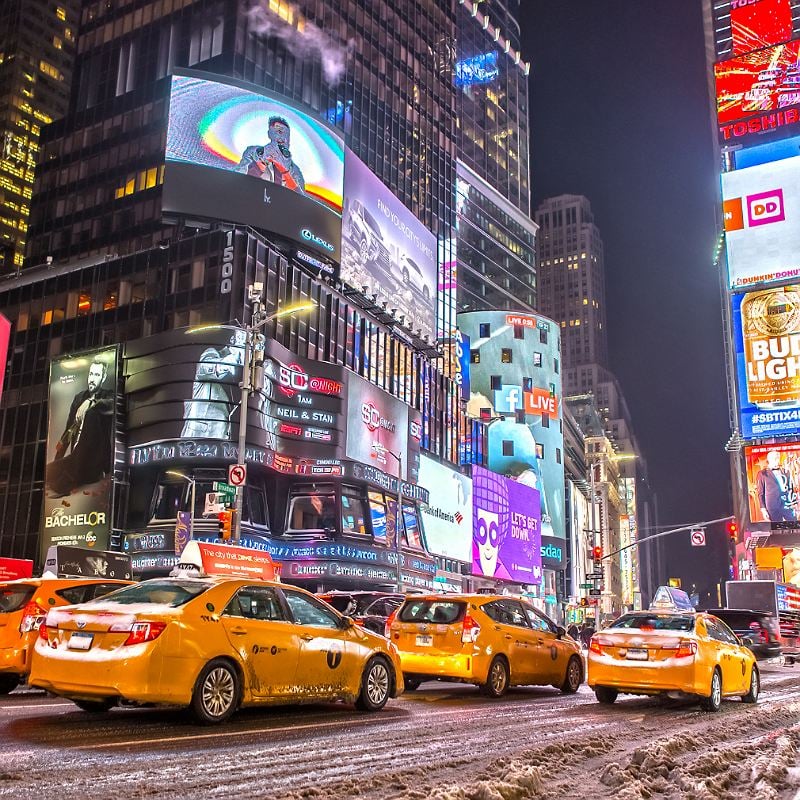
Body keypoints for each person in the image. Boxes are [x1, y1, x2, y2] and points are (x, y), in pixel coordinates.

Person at [45, 358, 114, 497]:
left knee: (92, 413)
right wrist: (57, 459)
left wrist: (91, 402)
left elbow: (111, 405)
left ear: (103, 377)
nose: (92, 379)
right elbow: (68, 432)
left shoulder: (109, 395)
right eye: (91, 374)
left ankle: (67, 483)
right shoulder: (78, 398)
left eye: (96, 375)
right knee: (49, 471)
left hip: (94, 463)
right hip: (75, 459)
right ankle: (66, 475)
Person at [181, 338, 242, 439]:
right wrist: (235, 355)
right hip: (198, 437)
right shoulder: (207, 362)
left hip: (218, 439)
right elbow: (214, 367)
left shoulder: (234, 380)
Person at [236, 115, 306, 194]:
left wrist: (285, 172)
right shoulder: (253, 153)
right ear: (270, 134)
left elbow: (302, 200)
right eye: (279, 132)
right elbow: (238, 181)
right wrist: (262, 162)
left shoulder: (294, 169)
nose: (283, 139)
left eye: (287, 135)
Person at [756, 450, 798, 523]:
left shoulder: (786, 471)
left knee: (794, 525)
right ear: (769, 460)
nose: (777, 460)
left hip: (787, 505)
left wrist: (794, 503)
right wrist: (763, 509)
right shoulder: (762, 474)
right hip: (773, 507)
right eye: (774, 458)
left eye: (778, 458)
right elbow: (760, 493)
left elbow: (791, 488)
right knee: (776, 529)